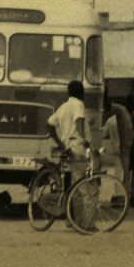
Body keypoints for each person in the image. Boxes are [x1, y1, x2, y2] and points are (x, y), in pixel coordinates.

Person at [48, 80, 92, 229]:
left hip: (68, 147)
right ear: (81, 92)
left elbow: (49, 124)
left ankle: (73, 221)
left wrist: (60, 143)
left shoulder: (63, 106)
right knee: (85, 186)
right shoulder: (78, 104)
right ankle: (87, 224)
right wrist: (85, 140)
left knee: (74, 185)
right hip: (78, 146)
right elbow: (79, 122)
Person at [103, 97, 134, 195]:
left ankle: (118, 193)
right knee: (125, 171)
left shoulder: (110, 121)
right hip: (125, 146)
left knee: (118, 171)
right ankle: (124, 193)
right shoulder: (126, 117)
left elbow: (104, 134)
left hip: (115, 148)